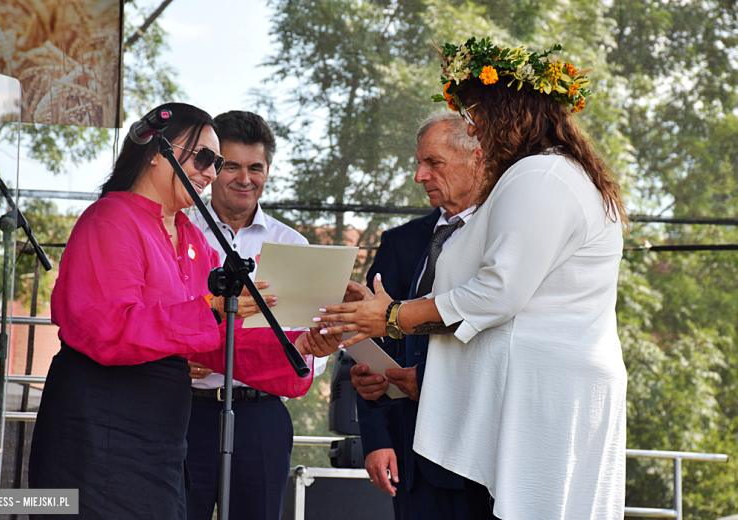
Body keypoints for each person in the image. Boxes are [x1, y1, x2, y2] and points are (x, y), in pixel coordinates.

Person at [317, 37, 628, 520]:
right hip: (537, 394)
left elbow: (496, 293)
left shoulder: (539, 176)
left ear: (507, 115)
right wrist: (383, 324)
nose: (474, 130)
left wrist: (394, 317)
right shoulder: (548, 174)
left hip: (542, 397)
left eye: (475, 117)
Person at [28, 103, 340, 519]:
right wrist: (210, 310)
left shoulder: (191, 236)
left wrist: (299, 345)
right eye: (206, 158)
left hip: (161, 435)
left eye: (215, 163)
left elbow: (218, 338)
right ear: (157, 151)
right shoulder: (110, 219)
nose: (211, 173)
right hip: (99, 423)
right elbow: (106, 328)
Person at [185, 110, 329, 520]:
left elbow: (309, 346)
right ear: (211, 167)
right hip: (187, 411)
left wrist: (314, 353)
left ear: (268, 170)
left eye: (256, 167)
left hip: (261, 418)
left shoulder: (292, 244)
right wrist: (173, 359)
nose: (244, 179)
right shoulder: (179, 231)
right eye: (231, 166)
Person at [353, 112, 481, 520]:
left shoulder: (503, 240)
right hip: (412, 459)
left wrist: (426, 383)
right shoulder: (400, 244)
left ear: (477, 158)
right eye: (419, 162)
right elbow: (371, 340)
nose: (419, 175)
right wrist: (375, 437)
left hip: (482, 456)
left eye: (433, 163)